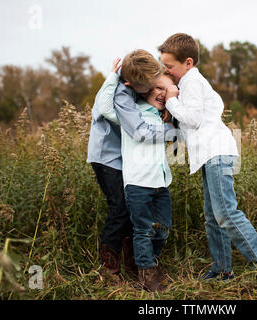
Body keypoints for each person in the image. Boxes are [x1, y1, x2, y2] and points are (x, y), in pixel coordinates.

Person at [158, 33, 257, 296]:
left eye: (170, 66)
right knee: (212, 217)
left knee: (226, 214)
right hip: (210, 155)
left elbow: (193, 119)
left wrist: (171, 97)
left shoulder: (192, 81)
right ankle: (222, 270)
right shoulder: (188, 85)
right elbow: (189, 128)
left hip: (217, 153)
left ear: (187, 63)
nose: (167, 71)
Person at [87, 49, 171, 281]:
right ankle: (109, 268)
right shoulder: (123, 92)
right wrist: (170, 131)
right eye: (150, 87)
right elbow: (110, 112)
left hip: (123, 155)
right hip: (107, 155)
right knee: (121, 208)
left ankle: (133, 263)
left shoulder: (138, 81)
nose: (153, 89)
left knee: (130, 208)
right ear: (130, 83)